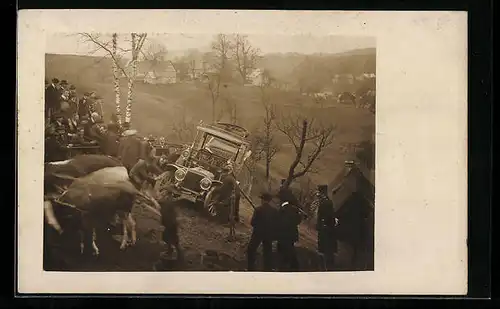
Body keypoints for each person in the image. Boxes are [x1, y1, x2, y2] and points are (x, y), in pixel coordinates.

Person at [247, 191, 279, 271]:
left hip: (258, 233)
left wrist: (258, 226)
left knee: (251, 249)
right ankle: (268, 269)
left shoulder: (258, 209)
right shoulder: (274, 211)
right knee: (268, 251)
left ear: (263, 200)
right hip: (269, 234)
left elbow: (252, 222)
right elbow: (276, 224)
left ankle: (251, 268)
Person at [276, 188, 303, 271]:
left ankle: (288, 267)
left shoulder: (282, 210)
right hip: (291, 234)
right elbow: (298, 220)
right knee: (289, 249)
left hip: (283, 235)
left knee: (285, 251)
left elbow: (279, 222)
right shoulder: (294, 209)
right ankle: (292, 267)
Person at [314, 184, 338, 270]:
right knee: (326, 250)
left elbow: (327, 216)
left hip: (326, 230)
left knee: (326, 250)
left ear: (322, 193)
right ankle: (326, 267)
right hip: (326, 229)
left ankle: (326, 268)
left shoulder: (325, 203)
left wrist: (322, 225)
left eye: (319, 192)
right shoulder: (326, 201)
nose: (317, 194)